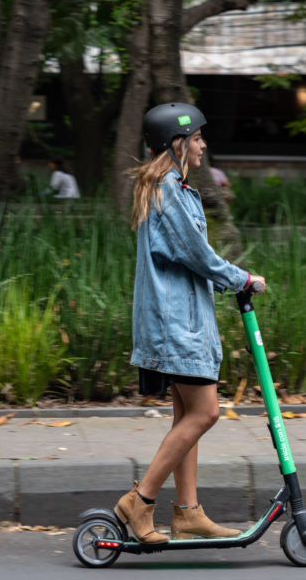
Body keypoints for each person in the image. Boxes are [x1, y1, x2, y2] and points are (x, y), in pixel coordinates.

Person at [114, 102, 266, 544]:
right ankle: (138, 502)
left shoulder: (172, 188)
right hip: (175, 326)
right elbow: (197, 256)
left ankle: (188, 512)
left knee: (187, 414)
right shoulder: (168, 190)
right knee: (206, 412)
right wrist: (243, 278)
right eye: (197, 139)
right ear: (177, 144)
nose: (202, 146)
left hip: (178, 322)